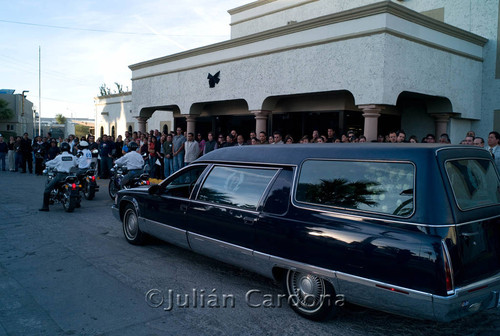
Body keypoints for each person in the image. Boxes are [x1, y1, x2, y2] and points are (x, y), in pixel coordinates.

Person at [39, 142, 78, 211]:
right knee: (77, 186)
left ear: (61, 149)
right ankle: (77, 203)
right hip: (71, 175)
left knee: (47, 189)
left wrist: (45, 163)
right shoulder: (72, 157)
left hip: (61, 175)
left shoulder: (59, 157)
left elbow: (51, 163)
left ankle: (45, 207)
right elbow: (77, 163)